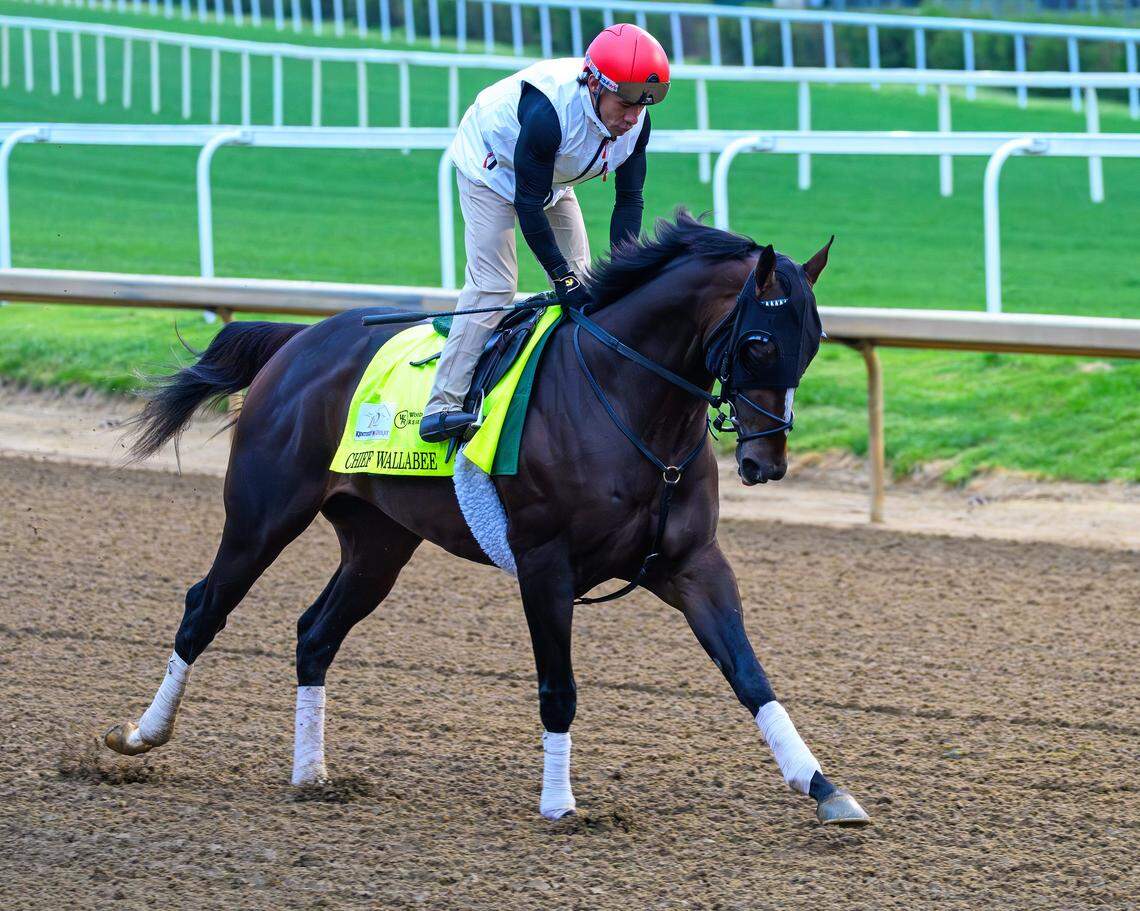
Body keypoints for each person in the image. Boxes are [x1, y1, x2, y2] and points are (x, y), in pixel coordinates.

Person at [419, 23, 671, 444]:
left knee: (591, 286)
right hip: (492, 169)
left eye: (642, 106)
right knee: (495, 286)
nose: (632, 117)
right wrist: (560, 278)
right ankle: (442, 404)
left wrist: (623, 273)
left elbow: (629, 201)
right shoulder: (548, 114)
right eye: (625, 104)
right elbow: (527, 205)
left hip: (551, 179)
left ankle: (585, 393)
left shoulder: (636, 123)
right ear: (595, 85)